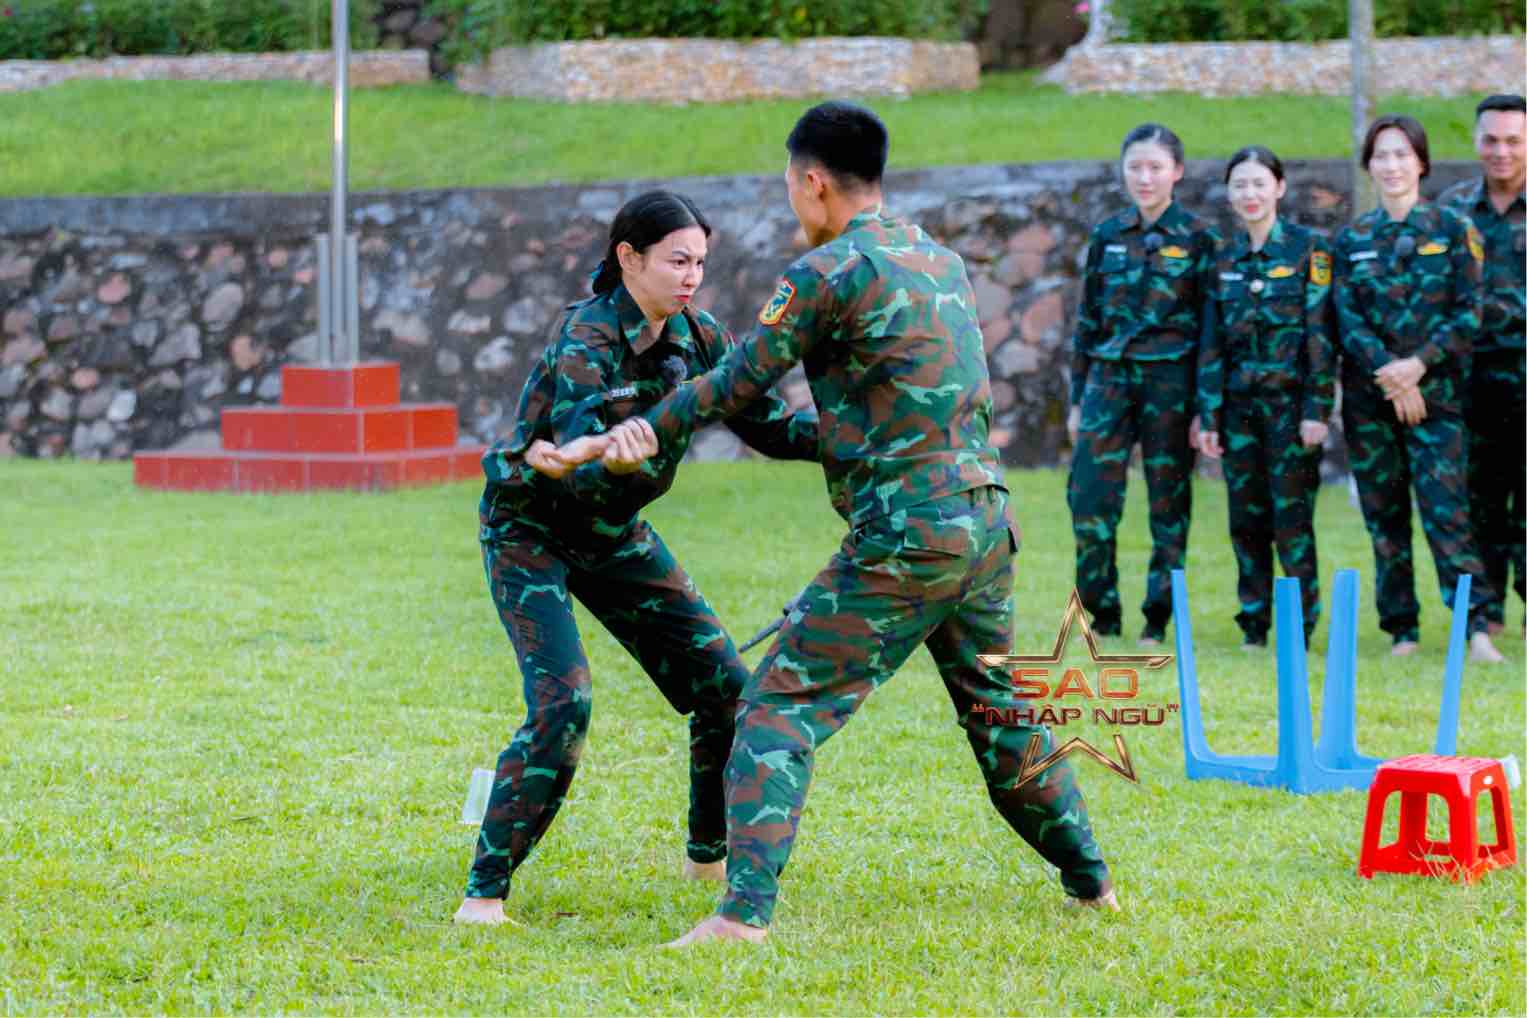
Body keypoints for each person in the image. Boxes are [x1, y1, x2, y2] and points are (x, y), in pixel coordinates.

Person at [558, 101, 1117, 945]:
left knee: (775, 706)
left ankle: (740, 919)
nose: (792, 200)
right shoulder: (938, 258)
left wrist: (640, 430)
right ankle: (1093, 885)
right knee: (1001, 714)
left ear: (813, 181)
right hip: (984, 527)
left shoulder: (826, 272)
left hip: (906, 536)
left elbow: (739, 379)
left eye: (791, 185)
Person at [452, 190, 821, 926]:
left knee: (725, 688)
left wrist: (868, 441)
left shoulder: (701, 336)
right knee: (564, 703)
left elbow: (771, 427)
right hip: (532, 531)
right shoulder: (585, 339)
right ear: (629, 257)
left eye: (700, 263)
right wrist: (608, 460)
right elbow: (577, 455)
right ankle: (483, 895)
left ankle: (706, 854)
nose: (691, 276)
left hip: (615, 533)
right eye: (677, 260)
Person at [1332, 115, 1504, 663]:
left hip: (1438, 398)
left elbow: (1469, 311)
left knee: (1447, 511)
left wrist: (1418, 367)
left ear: (1422, 163)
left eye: (1402, 154)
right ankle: (1401, 631)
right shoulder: (1352, 238)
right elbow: (1346, 318)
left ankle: (1475, 628)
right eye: (1381, 155)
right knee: (1384, 518)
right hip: (1372, 399)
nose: (1392, 165)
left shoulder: (1454, 230)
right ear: (1369, 165)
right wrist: (1390, 371)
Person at [1068, 123, 1220, 646]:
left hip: (1170, 384)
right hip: (1107, 382)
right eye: (1135, 166)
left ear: (1177, 171)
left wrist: (1207, 408)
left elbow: (1210, 331)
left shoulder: (1200, 239)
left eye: (1156, 167)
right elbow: (1086, 321)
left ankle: (1157, 620)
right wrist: (1076, 397)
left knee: (1168, 510)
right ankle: (1102, 617)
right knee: (1088, 502)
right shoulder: (1106, 235)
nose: (1145, 177)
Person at [1196, 146, 1336, 648]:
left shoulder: (1309, 250)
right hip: (1238, 411)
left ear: (1279, 187)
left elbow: (1320, 336)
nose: (1249, 194)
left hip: (1291, 410)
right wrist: (1208, 413)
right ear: (1229, 193)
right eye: (1240, 185)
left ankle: (1299, 625)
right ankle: (1253, 622)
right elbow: (1212, 340)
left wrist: (1318, 409)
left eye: (1259, 183)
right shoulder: (1223, 258)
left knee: (1292, 520)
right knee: (1246, 518)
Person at [1440, 94, 1525, 636]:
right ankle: (1486, 614)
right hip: (1470, 381)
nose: (1501, 151)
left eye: (1513, 140)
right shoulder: (1451, 210)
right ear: (1475, 142)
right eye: (1491, 140)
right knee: (1479, 498)